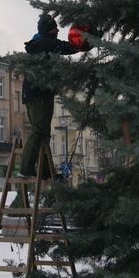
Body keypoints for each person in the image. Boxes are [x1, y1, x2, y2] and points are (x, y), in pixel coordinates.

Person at [18, 14, 87, 179]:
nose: (57, 30)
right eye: (54, 28)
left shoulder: (37, 42)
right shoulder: (47, 43)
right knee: (39, 131)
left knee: (44, 133)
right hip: (40, 94)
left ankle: (45, 171)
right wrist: (86, 42)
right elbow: (68, 48)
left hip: (32, 94)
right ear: (49, 30)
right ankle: (26, 168)